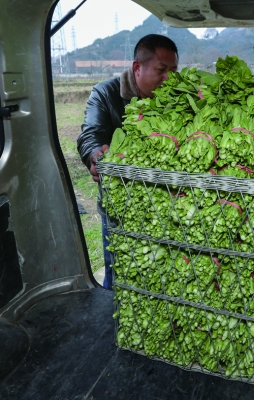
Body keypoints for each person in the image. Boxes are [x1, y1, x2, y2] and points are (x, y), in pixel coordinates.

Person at [77, 34, 179, 289]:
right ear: (137, 67)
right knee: (121, 275)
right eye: (161, 70)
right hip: (121, 209)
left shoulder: (177, 97)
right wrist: (94, 155)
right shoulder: (106, 93)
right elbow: (90, 134)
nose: (169, 78)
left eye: (174, 70)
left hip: (169, 207)